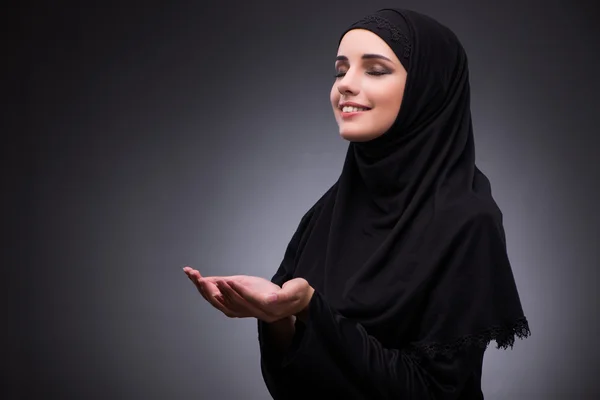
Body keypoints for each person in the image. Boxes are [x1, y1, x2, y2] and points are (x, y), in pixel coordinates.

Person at [183, 8, 530, 399]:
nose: (345, 85)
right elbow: (290, 386)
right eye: (340, 69)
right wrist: (279, 318)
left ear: (426, 88)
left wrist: (312, 310)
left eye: (375, 70)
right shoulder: (327, 214)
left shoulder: (467, 221)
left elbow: (435, 392)